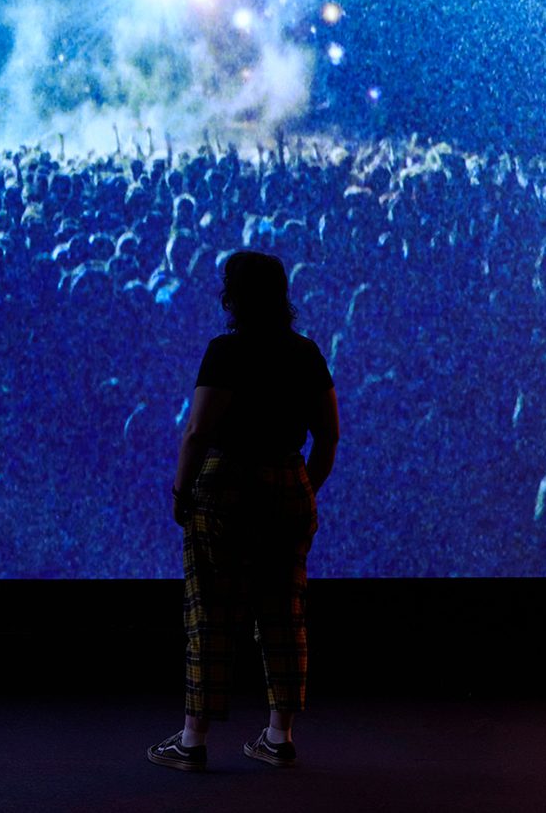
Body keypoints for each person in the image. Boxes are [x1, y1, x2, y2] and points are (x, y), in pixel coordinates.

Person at [148, 249, 336, 774]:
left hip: (226, 490)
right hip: (287, 485)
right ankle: (279, 736)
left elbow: (198, 431)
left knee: (210, 612)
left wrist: (182, 493)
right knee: (284, 613)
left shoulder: (225, 352)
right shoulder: (306, 353)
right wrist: (304, 487)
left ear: (232, 296)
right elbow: (329, 434)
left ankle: (194, 740)